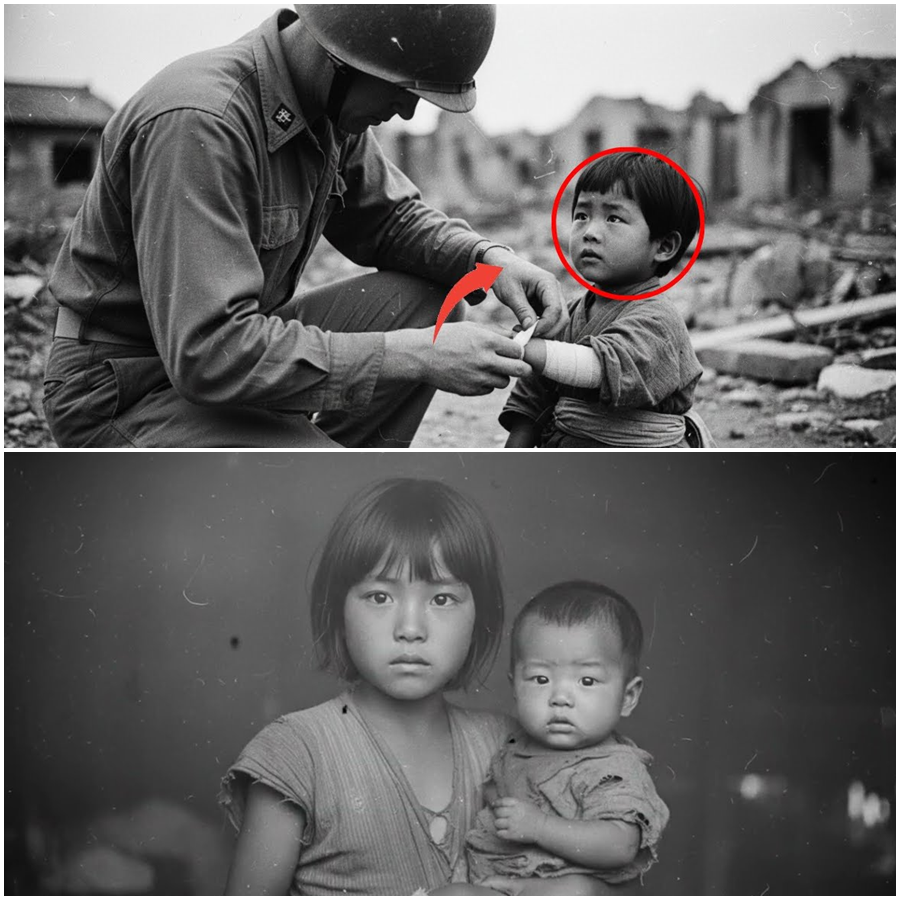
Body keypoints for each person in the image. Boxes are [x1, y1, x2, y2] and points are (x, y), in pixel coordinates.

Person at [42, 6, 568, 448]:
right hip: (123, 388)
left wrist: (487, 259)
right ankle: (318, 484)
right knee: (338, 486)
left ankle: (320, 470)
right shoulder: (204, 119)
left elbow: (390, 219)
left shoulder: (329, 111)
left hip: (217, 366)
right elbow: (208, 352)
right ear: (343, 55)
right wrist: (418, 356)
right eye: (403, 88)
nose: (408, 111)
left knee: (427, 289)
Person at [219, 480, 608, 896]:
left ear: (481, 616)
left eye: (441, 600)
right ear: (337, 610)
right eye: (379, 596)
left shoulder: (511, 745)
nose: (410, 629)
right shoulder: (297, 754)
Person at [501, 151, 715, 448]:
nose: (590, 232)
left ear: (664, 246)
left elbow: (599, 368)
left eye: (613, 218)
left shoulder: (657, 320)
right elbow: (533, 398)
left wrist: (522, 348)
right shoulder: (571, 313)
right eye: (582, 216)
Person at [466, 581, 670, 893]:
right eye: (540, 678)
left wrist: (540, 827)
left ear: (628, 696)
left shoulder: (611, 768)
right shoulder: (511, 748)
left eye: (587, 680)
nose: (560, 697)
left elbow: (621, 846)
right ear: (515, 688)